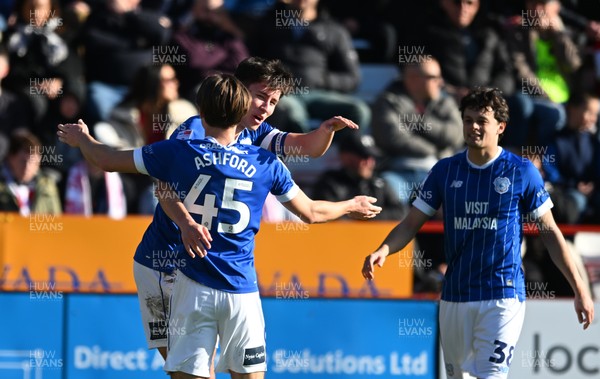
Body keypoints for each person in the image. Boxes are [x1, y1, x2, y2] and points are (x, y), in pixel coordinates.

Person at [57, 73, 381, 379]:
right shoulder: (266, 163)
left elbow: (108, 161)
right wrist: (351, 205)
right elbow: (311, 212)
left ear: (200, 111)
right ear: (242, 110)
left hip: (192, 285)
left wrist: (82, 138)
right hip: (241, 289)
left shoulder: (178, 150)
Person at [362, 87, 594, 379]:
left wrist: (579, 288)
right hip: (455, 296)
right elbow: (411, 223)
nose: (473, 127)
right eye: (468, 119)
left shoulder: (521, 172)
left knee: (492, 376)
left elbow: (549, 232)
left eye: (481, 120)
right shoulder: (445, 171)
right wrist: (384, 249)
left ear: (500, 126)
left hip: (502, 295)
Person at [370, 57, 464, 205]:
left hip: (439, 173)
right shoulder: (388, 101)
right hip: (398, 173)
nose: (441, 82)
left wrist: (419, 121)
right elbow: (393, 137)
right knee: (384, 197)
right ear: (413, 78)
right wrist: (432, 148)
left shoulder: (445, 102)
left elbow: (456, 135)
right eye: (433, 77)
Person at [312, 133, 406, 220]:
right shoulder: (330, 183)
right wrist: (355, 212)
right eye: (364, 156)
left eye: (372, 157)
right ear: (345, 157)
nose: (370, 162)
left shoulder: (380, 183)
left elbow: (400, 213)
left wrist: (365, 215)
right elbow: (325, 216)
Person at [0, 129, 62, 215]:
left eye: (33, 162)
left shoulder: (47, 187)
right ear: (11, 158)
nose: (27, 167)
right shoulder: (2, 187)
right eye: (23, 161)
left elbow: (56, 220)